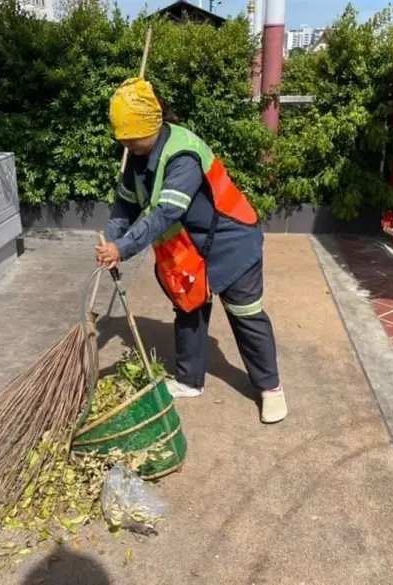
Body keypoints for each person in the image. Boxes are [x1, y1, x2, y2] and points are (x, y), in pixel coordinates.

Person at [95, 77, 287, 424]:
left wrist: (123, 249)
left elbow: (166, 211)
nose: (126, 143)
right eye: (122, 138)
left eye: (131, 137)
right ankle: (189, 380)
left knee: (245, 313)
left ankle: (270, 388)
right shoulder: (137, 157)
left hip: (232, 242)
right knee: (189, 306)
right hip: (188, 250)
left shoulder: (183, 154)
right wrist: (111, 239)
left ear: (151, 125)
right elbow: (124, 209)